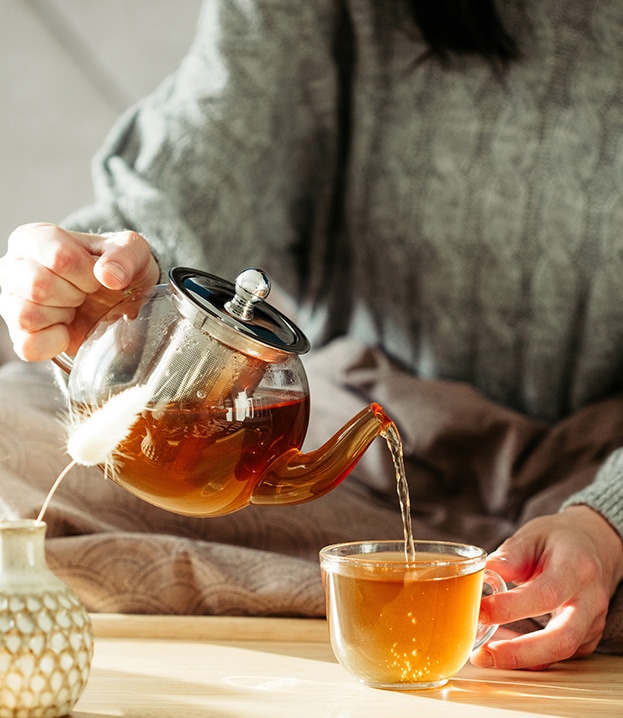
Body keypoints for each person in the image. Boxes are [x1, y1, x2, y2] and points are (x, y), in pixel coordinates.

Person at [1, 0, 623, 672]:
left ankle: (306, 603)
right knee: (12, 425)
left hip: (594, 478)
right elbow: (198, 169)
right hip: (364, 464)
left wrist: (605, 524)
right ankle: (438, 607)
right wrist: (103, 282)